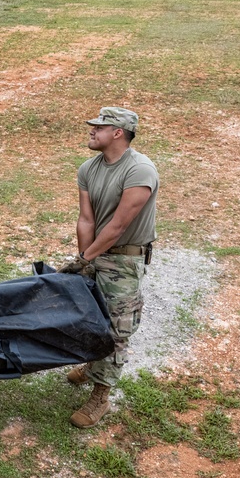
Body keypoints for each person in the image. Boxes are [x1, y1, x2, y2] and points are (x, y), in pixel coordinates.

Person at [59, 107, 159, 428]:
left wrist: (87, 258)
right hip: (94, 251)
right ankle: (91, 366)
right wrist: (84, 258)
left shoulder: (140, 171)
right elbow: (86, 219)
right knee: (91, 314)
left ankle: (101, 396)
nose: (92, 130)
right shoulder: (88, 168)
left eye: (99, 126)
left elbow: (117, 226)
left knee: (117, 326)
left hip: (125, 258)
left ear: (118, 133)